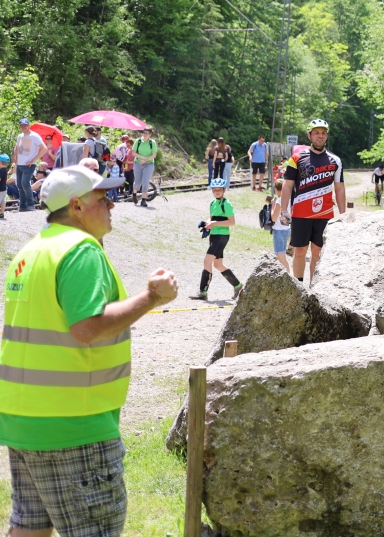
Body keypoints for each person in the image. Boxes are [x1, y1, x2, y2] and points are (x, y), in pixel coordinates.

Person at [0, 164, 178, 537]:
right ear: (77, 206)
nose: (112, 205)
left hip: (24, 419)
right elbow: (88, 328)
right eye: (103, 197)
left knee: (29, 527)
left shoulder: (32, 250)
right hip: (74, 425)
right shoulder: (80, 251)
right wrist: (150, 298)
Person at [279, 119, 345, 284]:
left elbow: (340, 189)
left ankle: (314, 287)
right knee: (300, 251)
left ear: (327, 136)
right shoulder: (296, 158)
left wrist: (344, 216)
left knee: (318, 252)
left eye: (323, 133)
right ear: (309, 135)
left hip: (325, 215)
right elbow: (287, 186)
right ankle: (299, 287)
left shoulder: (335, 160)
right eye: (316, 133)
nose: (320, 136)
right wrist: (284, 210)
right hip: (301, 214)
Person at [189, 178, 242, 301]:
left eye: (219, 190)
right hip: (214, 235)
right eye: (214, 190)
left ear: (224, 190)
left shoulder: (226, 204)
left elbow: (232, 222)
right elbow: (211, 217)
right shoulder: (212, 203)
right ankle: (238, 287)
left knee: (207, 261)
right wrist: (206, 223)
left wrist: (214, 223)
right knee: (218, 264)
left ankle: (203, 292)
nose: (217, 192)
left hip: (222, 236)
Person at [13, 118, 48, 213]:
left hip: (29, 165)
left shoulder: (34, 136)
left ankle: (30, 204)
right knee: (20, 185)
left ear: (29, 126)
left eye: (25, 125)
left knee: (25, 183)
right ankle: (22, 206)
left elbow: (44, 148)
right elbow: (17, 148)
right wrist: (15, 159)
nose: (23, 127)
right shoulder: (20, 136)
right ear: (20, 127)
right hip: (19, 164)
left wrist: (33, 160)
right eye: (22, 126)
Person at [269, 179, 293, 274]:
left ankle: (288, 274)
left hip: (279, 230)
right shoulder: (289, 199)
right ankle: (285, 273)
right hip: (287, 229)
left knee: (280, 255)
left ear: (276, 189)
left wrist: (272, 206)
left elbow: (274, 218)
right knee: (281, 255)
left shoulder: (279, 201)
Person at [131, 127, 157, 207]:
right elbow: (133, 153)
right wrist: (142, 158)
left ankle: (143, 200)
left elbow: (154, 155)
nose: (145, 135)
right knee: (138, 181)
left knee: (145, 181)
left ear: (150, 134)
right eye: (144, 133)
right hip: (138, 163)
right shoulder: (138, 141)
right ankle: (134, 194)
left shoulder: (152, 142)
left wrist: (146, 160)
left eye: (147, 133)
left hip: (149, 164)